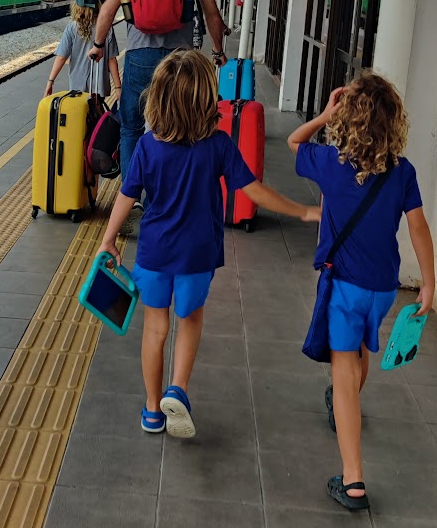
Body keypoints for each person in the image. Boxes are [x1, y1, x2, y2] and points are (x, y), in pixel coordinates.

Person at [97, 50, 320, 438]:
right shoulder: (218, 145)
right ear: (206, 100)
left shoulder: (149, 146)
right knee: (191, 320)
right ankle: (177, 390)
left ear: (159, 99)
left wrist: (107, 238)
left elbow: (126, 196)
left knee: (155, 328)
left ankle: (152, 409)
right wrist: (301, 212)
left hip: (153, 254)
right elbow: (255, 191)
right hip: (198, 256)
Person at [287, 72, 436, 511]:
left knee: (343, 368)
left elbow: (295, 142)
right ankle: (343, 398)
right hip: (383, 289)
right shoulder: (402, 172)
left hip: (346, 287)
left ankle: (353, 481)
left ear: (347, 118)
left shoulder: (333, 163)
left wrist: (322, 115)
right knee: (357, 356)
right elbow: (418, 226)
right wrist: (427, 282)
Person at [89, 0, 229, 232]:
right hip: (179, 61)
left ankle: (131, 198)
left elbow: (109, 10)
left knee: (131, 128)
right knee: (177, 129)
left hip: (139, 55)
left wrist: (98, 45)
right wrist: (219, 51)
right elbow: (212, 14)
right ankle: (163, 204)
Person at [44, 0, 121, 97]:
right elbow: (112, 59)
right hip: (99, 87)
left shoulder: (72, 28)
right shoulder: (106, 28)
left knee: (79, 113)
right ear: (97, 4)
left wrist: (50, 81)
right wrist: (118, 87)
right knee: (98, 114)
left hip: (77, 86)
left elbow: (61, 57)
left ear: (76, 5)